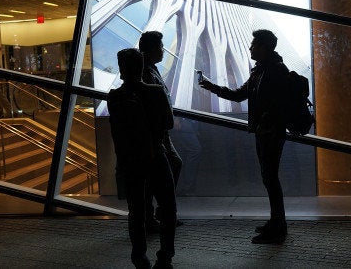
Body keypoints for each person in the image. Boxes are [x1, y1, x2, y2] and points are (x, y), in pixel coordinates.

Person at [199, 29, 289, 244]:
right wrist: (211, 86)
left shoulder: (275, 70)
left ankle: (278, 227)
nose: (250, 48)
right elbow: (239, 94)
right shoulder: (261, 71)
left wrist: (267, 122)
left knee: (271, 178)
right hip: (265, 131)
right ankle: (277, 222)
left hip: (271, 132)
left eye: (254, 44)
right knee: (269, 178)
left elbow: (278, 104)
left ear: (265, 47)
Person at [107, 48, 177, 268]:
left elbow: (117, 134)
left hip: (130, 161)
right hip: (156, 156)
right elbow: (169, 123)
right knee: (167, 207)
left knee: (136, 211)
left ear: (121, 69)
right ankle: (165, 255)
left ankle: (139, 257)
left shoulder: (115, 97)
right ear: (140, 66)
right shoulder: (155, 92)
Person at [138, 31, 184, 231]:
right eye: (160, 47)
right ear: (150, 49)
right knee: (156, 174)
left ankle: (161, 213)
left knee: (172, 165)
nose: (163, 50)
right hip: (153, 133)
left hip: (160, 132)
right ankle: (159, 215)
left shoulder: (151, 69)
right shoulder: (144, 72)